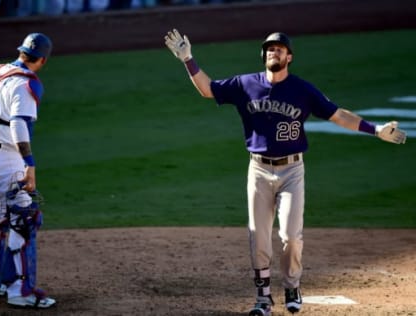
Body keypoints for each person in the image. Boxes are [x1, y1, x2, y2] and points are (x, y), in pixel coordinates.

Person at [164, 29, 406, 316]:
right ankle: (263, 298)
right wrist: (188, 59)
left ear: (289, 56)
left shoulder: (302, 90)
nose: (273, 53)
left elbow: (337, 114)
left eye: (279, 49)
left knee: (291, 236)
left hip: (292, 170)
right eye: (269, 49)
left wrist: (375, 129)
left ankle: (292, 286)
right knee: (259, 236)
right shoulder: (245, 84)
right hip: (258, 169)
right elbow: (208, 89)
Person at [0, 32, 56, 309]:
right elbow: (19, 125)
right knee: (24, 219)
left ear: (21, 52)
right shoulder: (26, 84)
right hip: (6, 160)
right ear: (42, 59)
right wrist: (29, 164)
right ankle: (21, 291)